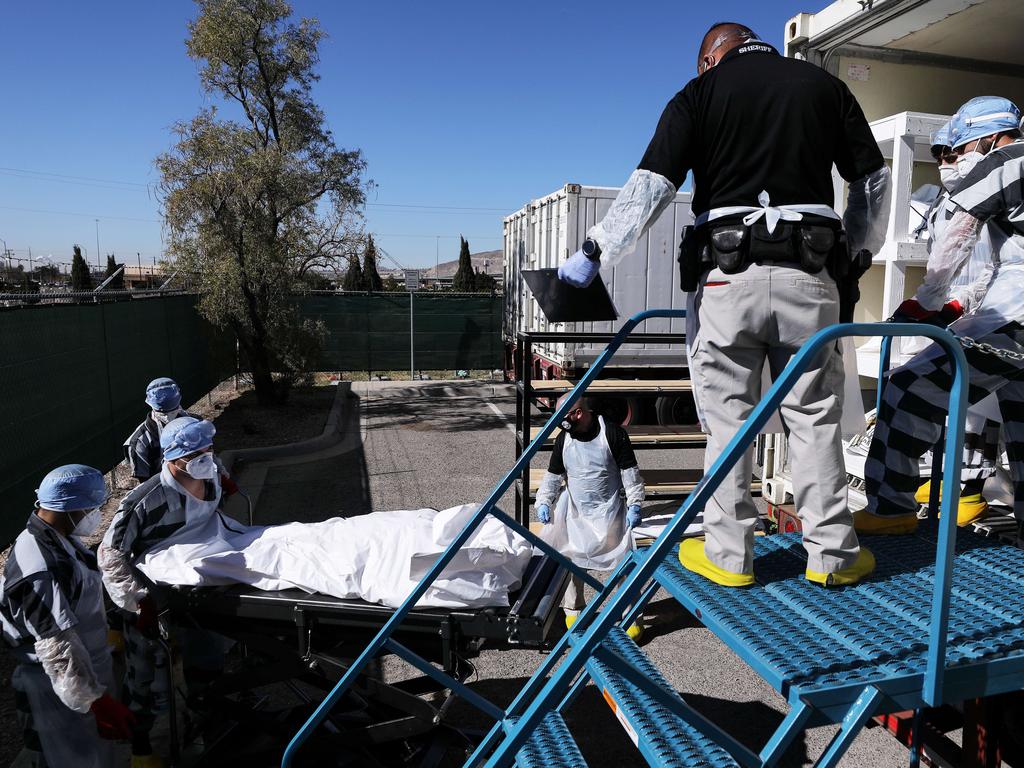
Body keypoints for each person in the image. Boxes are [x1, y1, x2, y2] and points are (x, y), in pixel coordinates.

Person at [557, 22, 890, 587]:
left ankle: (730, 557)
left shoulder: (698, 94)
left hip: (725, 279)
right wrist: (859, 249)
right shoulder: (822, 86)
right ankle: (833, 556)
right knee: (813, 416)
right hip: (811, 276)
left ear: (709, 59)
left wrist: (594, 251)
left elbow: (652, 185)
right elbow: (871, 181)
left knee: (729, 421)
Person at [864, 96, 1024, 531]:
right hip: (1002, 309)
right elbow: (1001, 262)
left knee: (909, 389)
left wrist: (928, 300)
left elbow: (961, 233)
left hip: (1013, 318)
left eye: (963, 148)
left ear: (987, 138)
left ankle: (890, 511)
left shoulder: (1008, 159)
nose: (956, 161)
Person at [99, 416, 226, 766]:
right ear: (173, 458)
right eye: (198, 453)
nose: (208, 458)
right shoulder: (143, 504)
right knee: (147, 678)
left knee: (207, 656)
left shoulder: (210, 475)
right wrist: (138, 604)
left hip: (196, 585)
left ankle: (204, 715)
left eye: (209, 450)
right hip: (148, 598)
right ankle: (141, 747)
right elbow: (110, 559)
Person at [0, 465, 135, 767]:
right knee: (76, 760)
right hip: (60, 688)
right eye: (93, 507)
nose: (96, 514)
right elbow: (56, 648)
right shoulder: (40, 567)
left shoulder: (55, 538)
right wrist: (95, 702)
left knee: (98, 755)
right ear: (71, 508)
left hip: (84, 672)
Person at [907, 118, 1002, 527]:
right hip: (948, 310)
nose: (949, 162)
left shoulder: (997, 192)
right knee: (944, 401)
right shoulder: (939, 201)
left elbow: (994, 263)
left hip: (987, 312)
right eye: (944, 156)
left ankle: (971, 486)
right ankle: (944, 476)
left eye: (955, 153)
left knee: (978, 407)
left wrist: (966, 304)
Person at [535, 397, 645, 638]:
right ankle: (574, 611)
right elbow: (553, 475)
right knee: (570, 558)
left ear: (579, 413)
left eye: (567, 418)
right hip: (576, 512)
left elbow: (630, 474)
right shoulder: (564, 439)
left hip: (610, 511)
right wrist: (544, 501)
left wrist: (635, 504)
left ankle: (631, 613)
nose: (565, 426)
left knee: (623, 563)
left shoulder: (614, 434)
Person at [124, 378, 194, 482]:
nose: (169, 417)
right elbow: (146, 483)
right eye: (164, 413)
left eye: (171, 411)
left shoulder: (194, 424)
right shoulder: (139, 441)